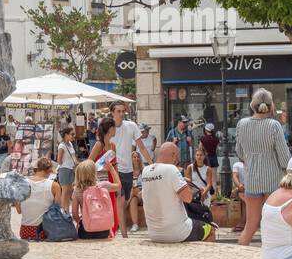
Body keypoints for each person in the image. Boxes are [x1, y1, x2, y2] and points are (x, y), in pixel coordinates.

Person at [235, 89, 291, 246]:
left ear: (252, 106)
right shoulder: (274, 126)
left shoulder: (242, 124)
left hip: (251, 179)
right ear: (271, 106)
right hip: (273, 180)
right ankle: (272, 255)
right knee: (274, 223)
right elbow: (284, 157)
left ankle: (238, 256)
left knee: (250, 225)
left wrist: (250, 159)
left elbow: (239, 151)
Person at [141, 142, 214, 243]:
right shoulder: (171, 169)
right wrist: (186, 184)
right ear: (173, 155)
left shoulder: (145, 171)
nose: (177, 160)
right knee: (210, 229)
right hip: (178, 232)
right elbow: (188, 198)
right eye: (177, 156)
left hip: (154, 233)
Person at [111, 103, 151, 240]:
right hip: (114, 170)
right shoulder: (108, 128)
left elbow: (142, 147)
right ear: (112, 113)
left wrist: (152, 164)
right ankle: (123, 235)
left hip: (128, 170)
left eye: (123, 111)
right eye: (118, 111)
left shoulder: (131, 126)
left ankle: (118, 230)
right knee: (120, 201)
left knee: (124, 200)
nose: (122, 114)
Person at [70, 158, 121, 239]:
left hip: (86, 230)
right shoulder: (102, 186)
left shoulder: (77, 191)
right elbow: (118, 185)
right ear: (94, 173)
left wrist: (80, 223)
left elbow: (74, 213)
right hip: (104, 229)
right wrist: (111, 169)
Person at [16, 157, 61, 240]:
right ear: (50, 170)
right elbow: (57, 212)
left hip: (25, 231)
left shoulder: (21, 183)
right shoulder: (54, 186)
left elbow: (19, 210)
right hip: (44, 232)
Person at [55, 126, 78, 210]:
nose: (73, 136)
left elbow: (73, 156)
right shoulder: (62, 146)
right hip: (64, 169)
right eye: (72, 134)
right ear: (66, 135)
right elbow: (59, 160)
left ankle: (67, 209)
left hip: (71, 169)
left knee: (69, 191)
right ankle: (63, 210)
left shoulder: (70, 144)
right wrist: (67, 163)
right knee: (64, 191)